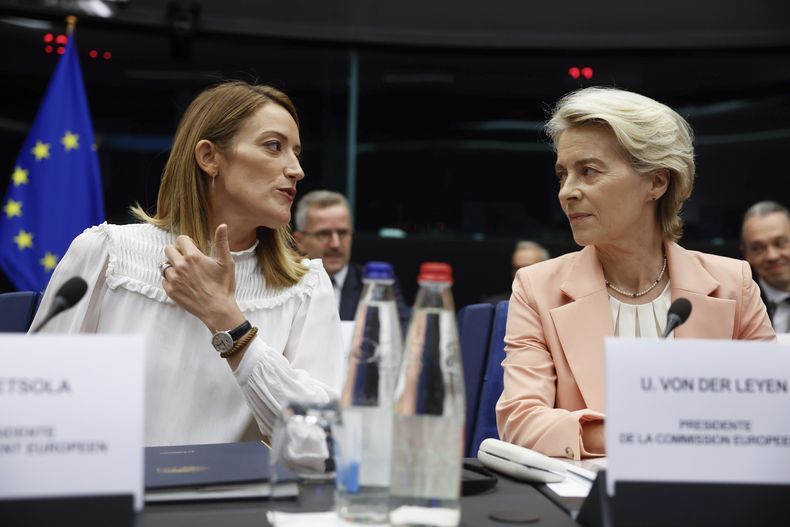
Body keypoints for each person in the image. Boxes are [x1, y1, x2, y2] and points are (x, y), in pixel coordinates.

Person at [31, 81, 344, 446]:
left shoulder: (305, 285)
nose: (296, 170)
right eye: (274, 146)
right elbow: (37, 408)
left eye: (296, 152)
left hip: (235, 502)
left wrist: (228, 322)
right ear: (209, 157)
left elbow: (319, 442)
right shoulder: (106, 254)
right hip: (110, 497)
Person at [496, 87, 775, 460]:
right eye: (563, 174)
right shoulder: (536, 288)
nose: (567, 192)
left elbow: (771, 414)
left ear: (657, 182)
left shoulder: (733, 284)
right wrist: (660, 433)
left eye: (588, 171)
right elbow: (520, 421)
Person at [293, 190, 411, 327]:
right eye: (324, 234)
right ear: (299, 241)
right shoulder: (285, 286)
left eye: (343, 233)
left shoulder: (375, 285)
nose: (335, 244)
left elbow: (400, 333)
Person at [741, 201, 790, 332]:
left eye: (780, 243)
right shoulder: (739, 308)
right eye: (758, 248)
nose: (772, 256)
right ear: (746, 254)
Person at [483, 241, 549, 303]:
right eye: (516, 268)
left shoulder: (557, 304)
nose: (520, 274)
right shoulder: (495, 306)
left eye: (527, 269)